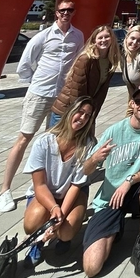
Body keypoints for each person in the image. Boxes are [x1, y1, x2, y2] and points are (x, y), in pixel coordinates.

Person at [0, 0, 84, 212]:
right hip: (39, 94)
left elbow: (77, 60)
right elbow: (25, 63)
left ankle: (38, 184)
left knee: (52, 142)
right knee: (24, 137)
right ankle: (4, 190)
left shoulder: (78, 35)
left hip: (62, 97)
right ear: (56, 13)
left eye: (70, 10)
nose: (66, 13)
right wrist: (34, 82)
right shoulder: (43, 36)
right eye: (63, 10)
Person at [82, 83, 140, 278]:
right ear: (132, 103)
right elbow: (86, 170)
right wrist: (95, 159)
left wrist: (130, 180)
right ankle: (115, 227)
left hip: (136, 191)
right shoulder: (114, 131)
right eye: (139, 101)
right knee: (92, 267)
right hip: (111, 198)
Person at [21, 96, 95, 266]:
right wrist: (54, 208)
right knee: (32, 224)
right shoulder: (43, 142)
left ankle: (64, 238)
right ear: (70, 112)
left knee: (66, 231)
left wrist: (61, 215)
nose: (82, 118)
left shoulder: (88, 145)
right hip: (46, 193)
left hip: (72, 193)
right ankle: (37, 242)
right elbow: (39, 185)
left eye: (88, 116)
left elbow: (76, 185)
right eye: (80, 112)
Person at [50, 25, 120, 125]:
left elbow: (101, 91)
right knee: (55, 140)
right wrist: (78, 114)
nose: (104, 40)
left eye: (107, 37)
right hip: (68, 111)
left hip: (85, 112)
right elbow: (76, 90)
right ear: (94, 41)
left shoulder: (110, 61)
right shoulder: (86, 59)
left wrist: (91, 114)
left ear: (112, 39)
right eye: (100, 37)